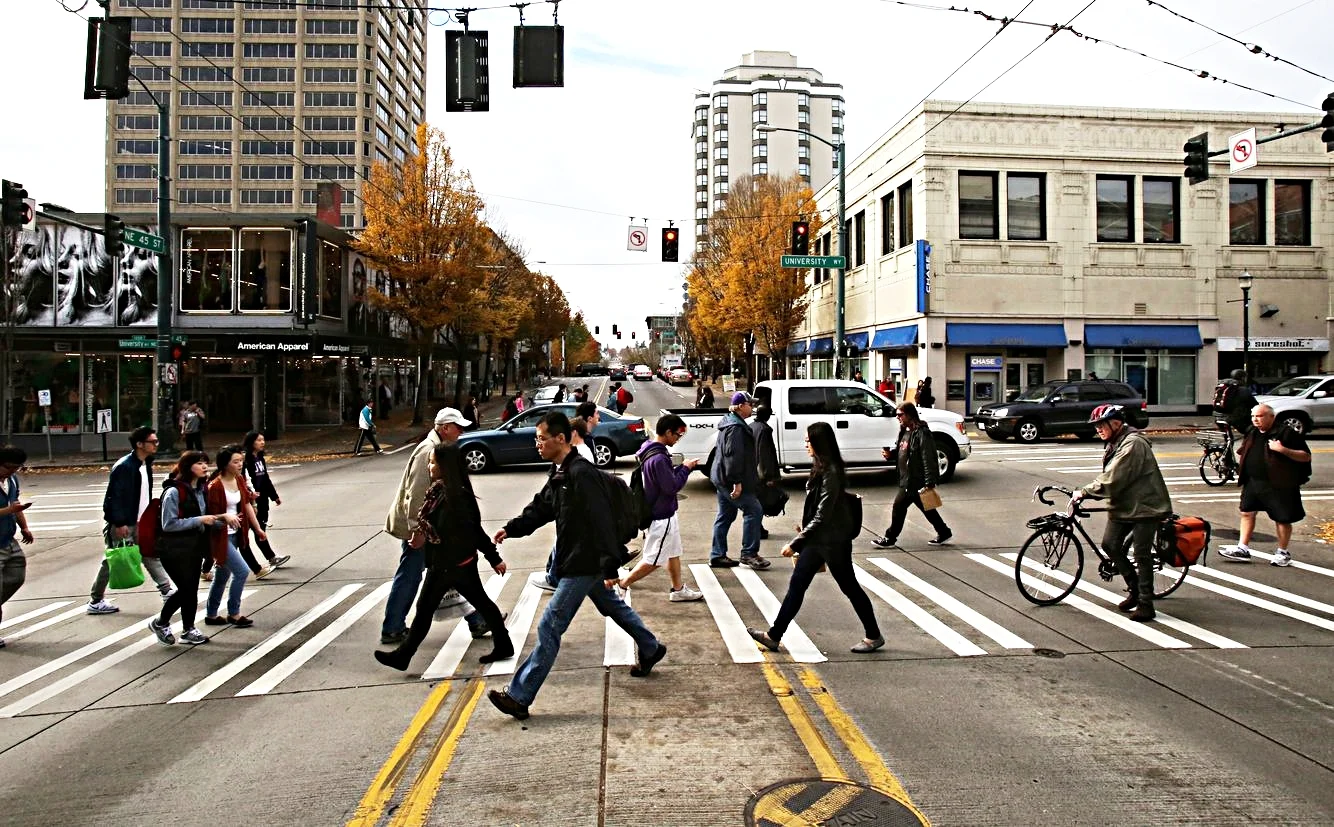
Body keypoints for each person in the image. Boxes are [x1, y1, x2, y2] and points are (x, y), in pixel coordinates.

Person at [488, 412, 666, 721]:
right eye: (536, 439)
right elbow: (542, 506)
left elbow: (602, 522)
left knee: (549, 624)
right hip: (575, 558)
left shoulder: (581, 474)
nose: (537, 444)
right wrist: (512, 528)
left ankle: (519, 696)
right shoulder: (560, 472)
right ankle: (650, 646)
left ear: (561, 439)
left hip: (584, 561)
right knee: (612, 607)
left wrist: (610, 566)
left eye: (542, 439)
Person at [748, 422, 884, 654]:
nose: (805, 444)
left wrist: (796, 542)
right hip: (818, 540)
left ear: (819, 444)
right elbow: (817, 510)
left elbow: (824, 513)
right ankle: (774, 635)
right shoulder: (821, 467)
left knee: (849, 587)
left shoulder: (831, 472)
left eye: (809, 441)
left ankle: (873, 635)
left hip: (833, 542)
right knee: (797, 586)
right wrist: (805, 528)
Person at [374, 443, 512, 670]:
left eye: (433, 462)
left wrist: (494, 557)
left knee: (427, 607)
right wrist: (422, 535)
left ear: (445, 466)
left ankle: (403, 655)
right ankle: (504, 644)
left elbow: (474, 531)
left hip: (452, 564)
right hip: (450, 563)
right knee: (479, 604)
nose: (429, 466)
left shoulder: (456, 497)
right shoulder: (438, 492)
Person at [381, 408, 489, 645]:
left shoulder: (437, 447)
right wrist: (417, 531)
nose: (461, 431)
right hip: (421, 529)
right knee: (412, 575)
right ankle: (392, 627)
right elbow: (416, 494)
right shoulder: (429, 451)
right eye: (458, 427)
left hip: (428, 527)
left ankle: (479, 619)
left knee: (446, 573)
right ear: (445, 428)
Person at [1072, 405, 1172, 621]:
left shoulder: (1133, 444)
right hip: (1126, 504)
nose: (1098, 429)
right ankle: (1134, 588)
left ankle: (1146, 603)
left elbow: (1115, 476)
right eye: (1096, 426)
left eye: (1101, 425)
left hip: (1146, 506)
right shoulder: (1116, 441)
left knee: (1141, 554)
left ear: (1116, 423)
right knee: (1110, 544)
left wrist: (1086, 492)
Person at [89, 426, 174, 614]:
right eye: (153, 442)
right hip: (124, 523)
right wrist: (119, 523)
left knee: (150, 554)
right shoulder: (125, 466)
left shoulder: (145, 464)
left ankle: (167, 590)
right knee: (113, 559)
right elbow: (114, 497)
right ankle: (96, 600)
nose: (156, 445)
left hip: (141, 521)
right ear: (139, 444)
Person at [619, 415, 703, 601]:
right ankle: (623, 583)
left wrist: (681, 468)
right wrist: (686, 468)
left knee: (673, 552)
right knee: (654, 559)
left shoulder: (649, 450)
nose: (678, 439)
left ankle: (678, 589)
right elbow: (671, 487)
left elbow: (664, 479)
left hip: (662, 513)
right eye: (677, 435)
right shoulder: (658, 458)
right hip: (661, 516)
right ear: (667, 432)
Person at [150, 452, 230, 646]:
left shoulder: (201, 489)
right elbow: (168, 524)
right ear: (187, 467)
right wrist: (200, 520)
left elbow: (204, 519)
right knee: (186, 588)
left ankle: (188, 629)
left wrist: (221, 521)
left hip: (194, 548)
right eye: (199, 463)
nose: (205, 467)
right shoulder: (174, 492)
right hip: (173, 549)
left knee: (191, 589)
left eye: (206, 463)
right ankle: (160, 623)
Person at [1219, 403, 1311, 568]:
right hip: (1253, 481)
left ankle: (1283, 552)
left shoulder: (1286, 433)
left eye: (1260, 416)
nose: (1256, 420)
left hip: (1278, 483)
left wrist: (1282, 450)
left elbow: (1305, 456)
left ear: (1271, 417)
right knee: (1246, 512)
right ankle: (1243, 548)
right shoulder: (1253, 432)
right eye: (1254, 416)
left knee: (1282, 518)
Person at [203, 446, 267, 628]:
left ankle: (211, 614)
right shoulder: (215, 485)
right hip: (219, 536)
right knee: (241, 571)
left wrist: (258, 529)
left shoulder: (239, 480)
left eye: (241, 461)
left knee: (222, 575)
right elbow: (210, 516)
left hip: (235, 535)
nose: (240, 465)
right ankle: (234, 613)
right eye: (235, 461)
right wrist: (225, 519)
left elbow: (246, 504)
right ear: (225, 464)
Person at [873, 403, 952, 549]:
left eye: (900, 414)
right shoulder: (904, 431)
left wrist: (929, 481)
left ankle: (890, 537)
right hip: (906, 478)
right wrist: (891, 455)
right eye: (897, 415)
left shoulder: (922, 433)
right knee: (927, 507)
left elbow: (928, 457)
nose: (898, 417)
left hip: (914, 479)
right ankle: (944, 531)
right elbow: (901, 452)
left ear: (910, 415)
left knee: (898, 507)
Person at [709, 392, 769, 570]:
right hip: (729, 479)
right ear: (741, 406)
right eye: (750, 404)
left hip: (721, 478)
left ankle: (717, 555)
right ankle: (749, 554)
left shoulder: (730, 421)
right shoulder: (735, 427)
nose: (753, 407)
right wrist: (736, 482)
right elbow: (732, 456)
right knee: (754, 510)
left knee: (725, 515)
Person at [242, 431, 290, 576]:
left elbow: (265, 478)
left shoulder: (260, 458)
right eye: (259, 440)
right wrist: (250, 498)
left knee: (260, 528)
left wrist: (274, 496)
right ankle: (270, 557)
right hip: (251, 500)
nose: (262, 443)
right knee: (254, 532)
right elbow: (244, 480)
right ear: (251, 442)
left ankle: (271, 557)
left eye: (263, 440)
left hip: (262, 499)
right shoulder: (246, 460)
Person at [0, 446, 34, 647]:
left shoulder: (11, 480)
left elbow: (15, 503)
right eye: (8, 468)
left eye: (17, 468)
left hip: (8, 539)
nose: (12, 471)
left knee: (17, 575)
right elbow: (11, 507)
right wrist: (8, 510)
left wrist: (24, 527)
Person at [752, 404, 781, 540]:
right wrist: (769, 476)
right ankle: (757, 527)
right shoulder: (764, 429)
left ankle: (757, 527)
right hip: (761, 471)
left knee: (756, 500)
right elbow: (766, 454)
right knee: (761, 501)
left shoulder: (752, 426)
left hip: (752, 468)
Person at [1213, 369, 1259, 438]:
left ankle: (1227, 446)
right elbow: (1253, 404)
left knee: (1228, 438)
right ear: (1243, 378)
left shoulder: (1224, 387)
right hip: (1233, 418)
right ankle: (1247, 446)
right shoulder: (1242, 389)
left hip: (1218, 416)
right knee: (1251, 431)